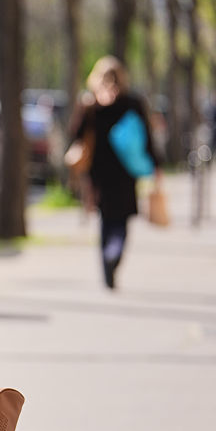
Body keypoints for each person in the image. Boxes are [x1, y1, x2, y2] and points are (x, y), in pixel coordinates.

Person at [72, 55, 161, 289]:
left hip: (99, 171)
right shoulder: (132, 102)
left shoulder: (91, 104)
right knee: (121, 220)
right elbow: (147, 137)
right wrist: (155, 163)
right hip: (125, 170)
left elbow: (76, 135)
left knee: (105, 218)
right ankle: (115, 254)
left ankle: (107, 262)